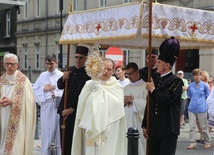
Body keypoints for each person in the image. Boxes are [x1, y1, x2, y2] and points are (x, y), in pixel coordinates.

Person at [71, 57, 127, 155]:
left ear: (113, 71)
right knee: (90, 149)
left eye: (109, 69)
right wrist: (93, 89)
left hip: (108, 126)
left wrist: (99, 90)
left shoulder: (117, 87)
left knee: (106, 151)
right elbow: (82, 103)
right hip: (90, 127)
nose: (105, 71)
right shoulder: (89, 84)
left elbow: (117, 105)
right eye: (103, 68)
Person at [142, 36, 183, 155]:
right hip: (154, 127)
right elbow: (150, 103)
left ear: (166, 65)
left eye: (159, 62)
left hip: (168, 129)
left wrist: (153, 89)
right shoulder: (155, 78)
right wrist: (145, 124)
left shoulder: (176, 81)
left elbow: (166, 99)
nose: (156, 64)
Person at [57, 45, 91, 155]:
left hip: (76, 112)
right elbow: (59, 86)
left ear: (86, 59)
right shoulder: (69, 70)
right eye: (76, 57)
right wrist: (63, 77)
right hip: (63, 110)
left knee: (73, 140)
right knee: (63, 139)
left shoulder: (88, 75)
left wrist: (72, 109)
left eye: (81, 58)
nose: (78, 60)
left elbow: (86, 97)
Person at [0, 53, 36, 155]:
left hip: (18, 122)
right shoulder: (1, 80)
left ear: (17, 64)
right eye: (7, 64)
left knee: (15, 150)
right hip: (2, 119)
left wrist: (14, 102)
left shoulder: (23, 81)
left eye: (12, 64)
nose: (10, 66)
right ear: (4, 65)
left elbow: (31, 102)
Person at [33, 54, 63, 155]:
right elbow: (34, 91)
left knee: (57, 133)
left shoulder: (61, 75)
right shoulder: (42, 75)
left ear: (56, 63)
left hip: (57, 106)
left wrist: (56, 94)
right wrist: (43, 89)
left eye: (51, 63)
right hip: (46, 106)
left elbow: (65, 91)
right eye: (47, 64)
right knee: (46, 133)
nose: (49, 66)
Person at [124, 62, 147, 155]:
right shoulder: (125, 87)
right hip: (126, 119)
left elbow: (148, 105)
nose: (129, 76)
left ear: (137, 72)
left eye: (131, 73)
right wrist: (123, 101)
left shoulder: (145, 86)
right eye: (127, 74)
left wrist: (133, 101)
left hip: (138, 122)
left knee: (139, 145)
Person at [187, 68, 211, 149]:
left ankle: (207, 141)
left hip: (202, 108)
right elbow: (189, 95)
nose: (197, 77)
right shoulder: (190, 85)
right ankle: (192, 143)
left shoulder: (205, 85)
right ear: (193, 76)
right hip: (192, 108)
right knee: (192, 127)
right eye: (196, 75)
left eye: (199, 75)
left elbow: (208, 96)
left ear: (201, 76)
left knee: (204, 126)